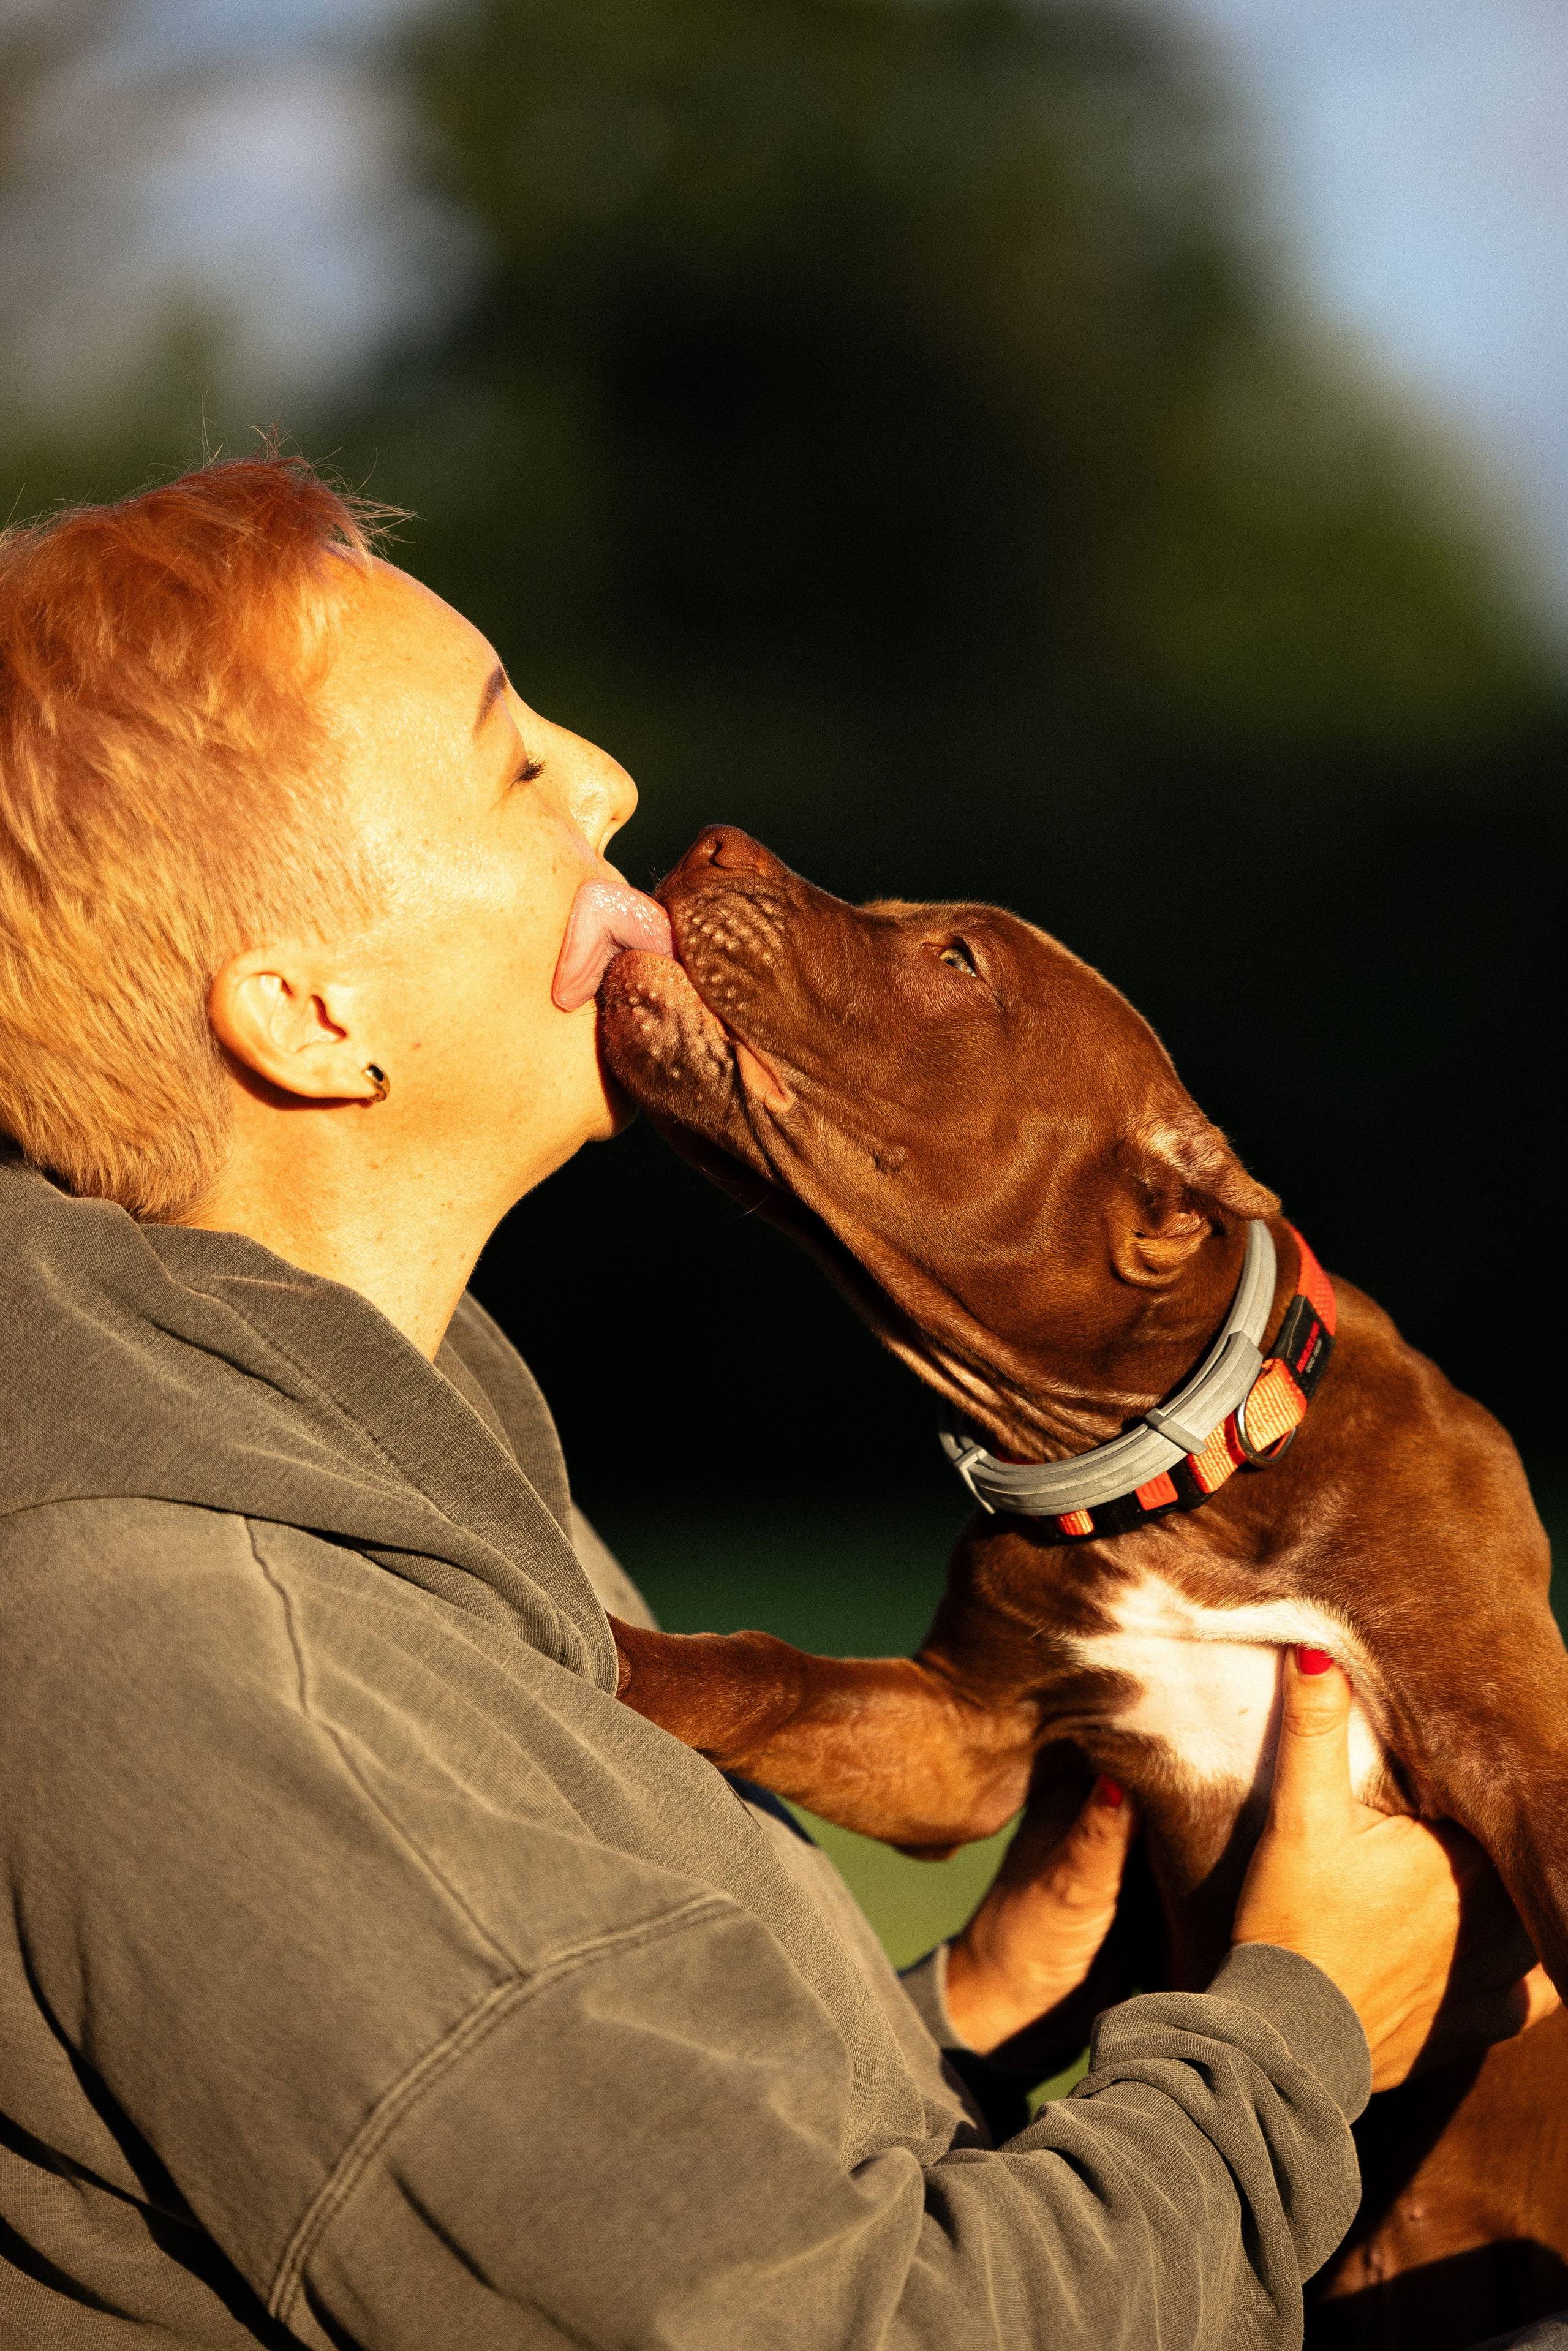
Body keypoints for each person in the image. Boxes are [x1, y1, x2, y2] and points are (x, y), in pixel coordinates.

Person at [0, 454, 1553, 2350]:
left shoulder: (392, 1454)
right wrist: (1294, 2032)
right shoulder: (220, 1662)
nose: (612, 783)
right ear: (313, 1015)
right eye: (511, 762)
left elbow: (587, 2180)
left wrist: (964, 2014)